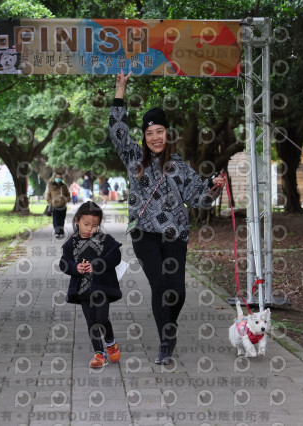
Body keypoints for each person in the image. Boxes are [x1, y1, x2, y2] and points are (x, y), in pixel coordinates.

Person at [109, 70, 225, 365]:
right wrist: (120, 89)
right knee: (160, 286)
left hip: (175, 235)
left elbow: (198, 198)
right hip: (144, 234)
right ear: (144, 137)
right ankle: (166, 339)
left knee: (178, 292)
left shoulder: (180, 166)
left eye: (159, 131)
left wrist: (213, 187)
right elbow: (118, 130)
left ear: (167, 134)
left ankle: (168, 325)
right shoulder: (134, 158)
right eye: (149, 133)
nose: (155, 137)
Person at [59, 201, 123, 368]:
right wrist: (75, 267)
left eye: (94, 226)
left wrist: (97, 264)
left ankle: (110, 342)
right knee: (91, 321)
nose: (90, 229)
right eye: (86, 224)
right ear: (77, 221)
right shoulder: (71, 244)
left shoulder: (105, 240)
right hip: (83, 290)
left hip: (103, 287)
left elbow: (115, 256)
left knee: (101, 318)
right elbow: (63, 263)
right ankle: (99, 353)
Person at [46, 173, 71, 238]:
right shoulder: (51, 186)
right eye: (57, 177)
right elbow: (48, 195)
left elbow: (68, 194)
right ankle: (57, 232)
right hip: (54, 205)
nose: (58, 179)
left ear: (61, 178)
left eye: (59, 177)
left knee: (61, 219)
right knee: (56, 219)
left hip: (63, 205)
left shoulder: (64, 186)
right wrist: (49, 200)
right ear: (54, 178)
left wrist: (67, 199)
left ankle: (61, 231)